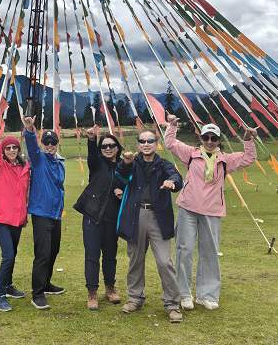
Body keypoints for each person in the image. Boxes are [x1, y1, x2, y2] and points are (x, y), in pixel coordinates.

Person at [164, 114, 257, 311]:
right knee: (184, 250)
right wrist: (172, 125)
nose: (209, 142)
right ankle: (184, 293)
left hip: (212, 212)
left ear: (219, 141)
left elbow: (249, 158)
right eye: (206, 137)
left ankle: (207, 295)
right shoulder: (191, 153)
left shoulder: (226, 160)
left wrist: (248, 140)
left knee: (209, 253)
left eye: (213, 138)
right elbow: (170, 143)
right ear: (201, 138)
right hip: (188, 208)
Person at [115, 129, 184, 323]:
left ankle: (172, 304)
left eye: (150, 141)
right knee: (135, 259)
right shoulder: (132, 163)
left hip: (158, 217)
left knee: (164, 261)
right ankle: (135, 298)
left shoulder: (164, 165)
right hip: (135, 216)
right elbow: (120, 173)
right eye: (142, 141)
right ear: (138, 144)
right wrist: (125, 163)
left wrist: (172, 182)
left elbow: (177, 178)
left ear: (156, 143)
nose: (146, 144)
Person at [73, 125, 123, 310]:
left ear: (117, 147)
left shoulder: (122, 166)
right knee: (92, 256)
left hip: (112, 218)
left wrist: (122, 190)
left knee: (110, 256)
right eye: (104, 146)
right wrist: (92, 139)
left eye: (111, 145)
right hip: (92, 217)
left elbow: (130, 184)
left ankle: (110, 289)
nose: (108, 148)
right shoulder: (97, 164)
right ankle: (92, 292)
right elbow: (92, 156)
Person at [0, 115, 30, 312]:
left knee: (13, 253)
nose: (11, 150)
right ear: (4, 152)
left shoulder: (24, 168)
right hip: (2, 217)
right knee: (8, 256)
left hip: (18, 218)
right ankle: (0, 295)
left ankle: (9, 286)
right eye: (8, 148)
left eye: (14, 148)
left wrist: (25, 215)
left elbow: (24, 194)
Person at [23, 116, 66, 310]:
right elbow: (31, 145)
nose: (49, 145)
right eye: (46, 142)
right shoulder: (38, 159)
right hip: (41, 213)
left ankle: (46, 283)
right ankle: (37, 294)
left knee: (53, 250)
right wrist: (30, 129)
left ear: (57, 144)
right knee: (42, 253)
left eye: (53, 142)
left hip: (56, 214)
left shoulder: (60, 162)